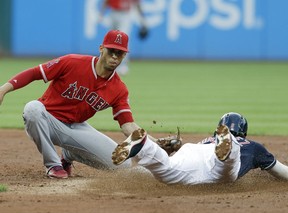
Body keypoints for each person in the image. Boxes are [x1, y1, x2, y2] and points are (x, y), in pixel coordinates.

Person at [0, 30, 146, 179]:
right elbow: (34, 73)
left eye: (120, 53)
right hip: (47, 121)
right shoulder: (72, 62)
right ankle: (53, 165)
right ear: (101, 48)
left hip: (77, 128)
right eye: (111, 51)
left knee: (122, 164)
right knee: (32, 109)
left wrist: (155, 143)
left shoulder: (119, 89)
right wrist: (3, 90)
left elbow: (128, 125)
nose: (114, 56)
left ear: (124, 55)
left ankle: (69, 153)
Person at [111, 112, 288, 185]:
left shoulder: (205, 140)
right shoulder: (254, 147)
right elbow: (282, 173)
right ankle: (228, 147)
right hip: (216, 162)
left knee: (166, 168)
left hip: (192, 151)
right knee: (225, 167)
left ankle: (146, 146)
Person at [99, 0, 148, 75]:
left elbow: (137, 3)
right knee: (109, 39)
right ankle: (103, 63)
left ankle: (122, 66)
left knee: (123, 40)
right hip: (113, 12)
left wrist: (142, 19)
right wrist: (101, 13)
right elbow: (106, 1)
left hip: (125, 14)